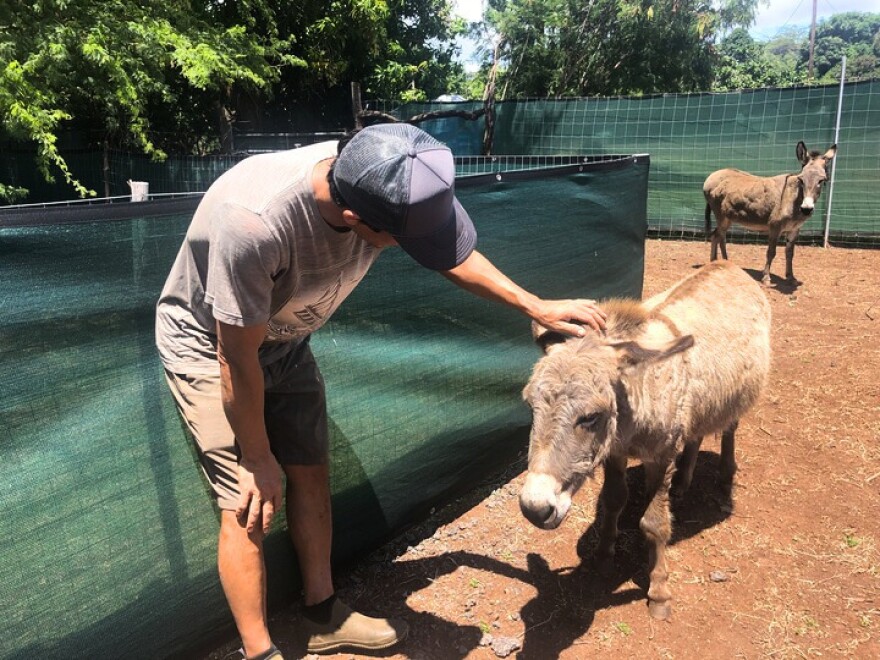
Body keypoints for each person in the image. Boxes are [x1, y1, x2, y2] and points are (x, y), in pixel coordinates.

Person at [155, 123, 606, 659]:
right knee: (249, 499)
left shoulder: (384, 165)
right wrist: (255, 453)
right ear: (353, 219)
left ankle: (322, 615)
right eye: (401, 241)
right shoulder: (255, 224)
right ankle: (261, 652)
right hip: (212, 346)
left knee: (309, 471)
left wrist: (534, 304)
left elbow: (450, 256)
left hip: (287, 337)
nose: (412, 249)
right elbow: (236, 357)